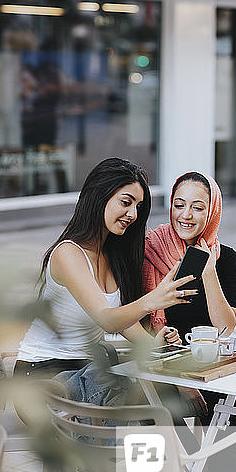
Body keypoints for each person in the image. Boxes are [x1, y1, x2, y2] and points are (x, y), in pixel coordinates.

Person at [15, 157, 197, 382]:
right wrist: (153, 300)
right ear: (100, 197)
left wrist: (155, 343)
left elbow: (121, 320)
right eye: (125, 202)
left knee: (161, 390)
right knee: (138, 392)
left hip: (85, 369)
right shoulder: (68, 253)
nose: (133, 214)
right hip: (43, 372)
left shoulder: (112, 254)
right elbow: (107, 320)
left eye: (138, 207)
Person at [142, 171, 236, 427]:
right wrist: (183, 381)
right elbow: (137, 323)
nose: (185, 215)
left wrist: (208, 271)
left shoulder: (226, 258)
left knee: (232, 392)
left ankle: (220, 466)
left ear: (212, 212)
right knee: (153, 401)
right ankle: (177, 464)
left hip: (206, 364)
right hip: (157, 364)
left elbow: (225, 327)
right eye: (179, 205)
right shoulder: (149, 249)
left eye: (197, 208)